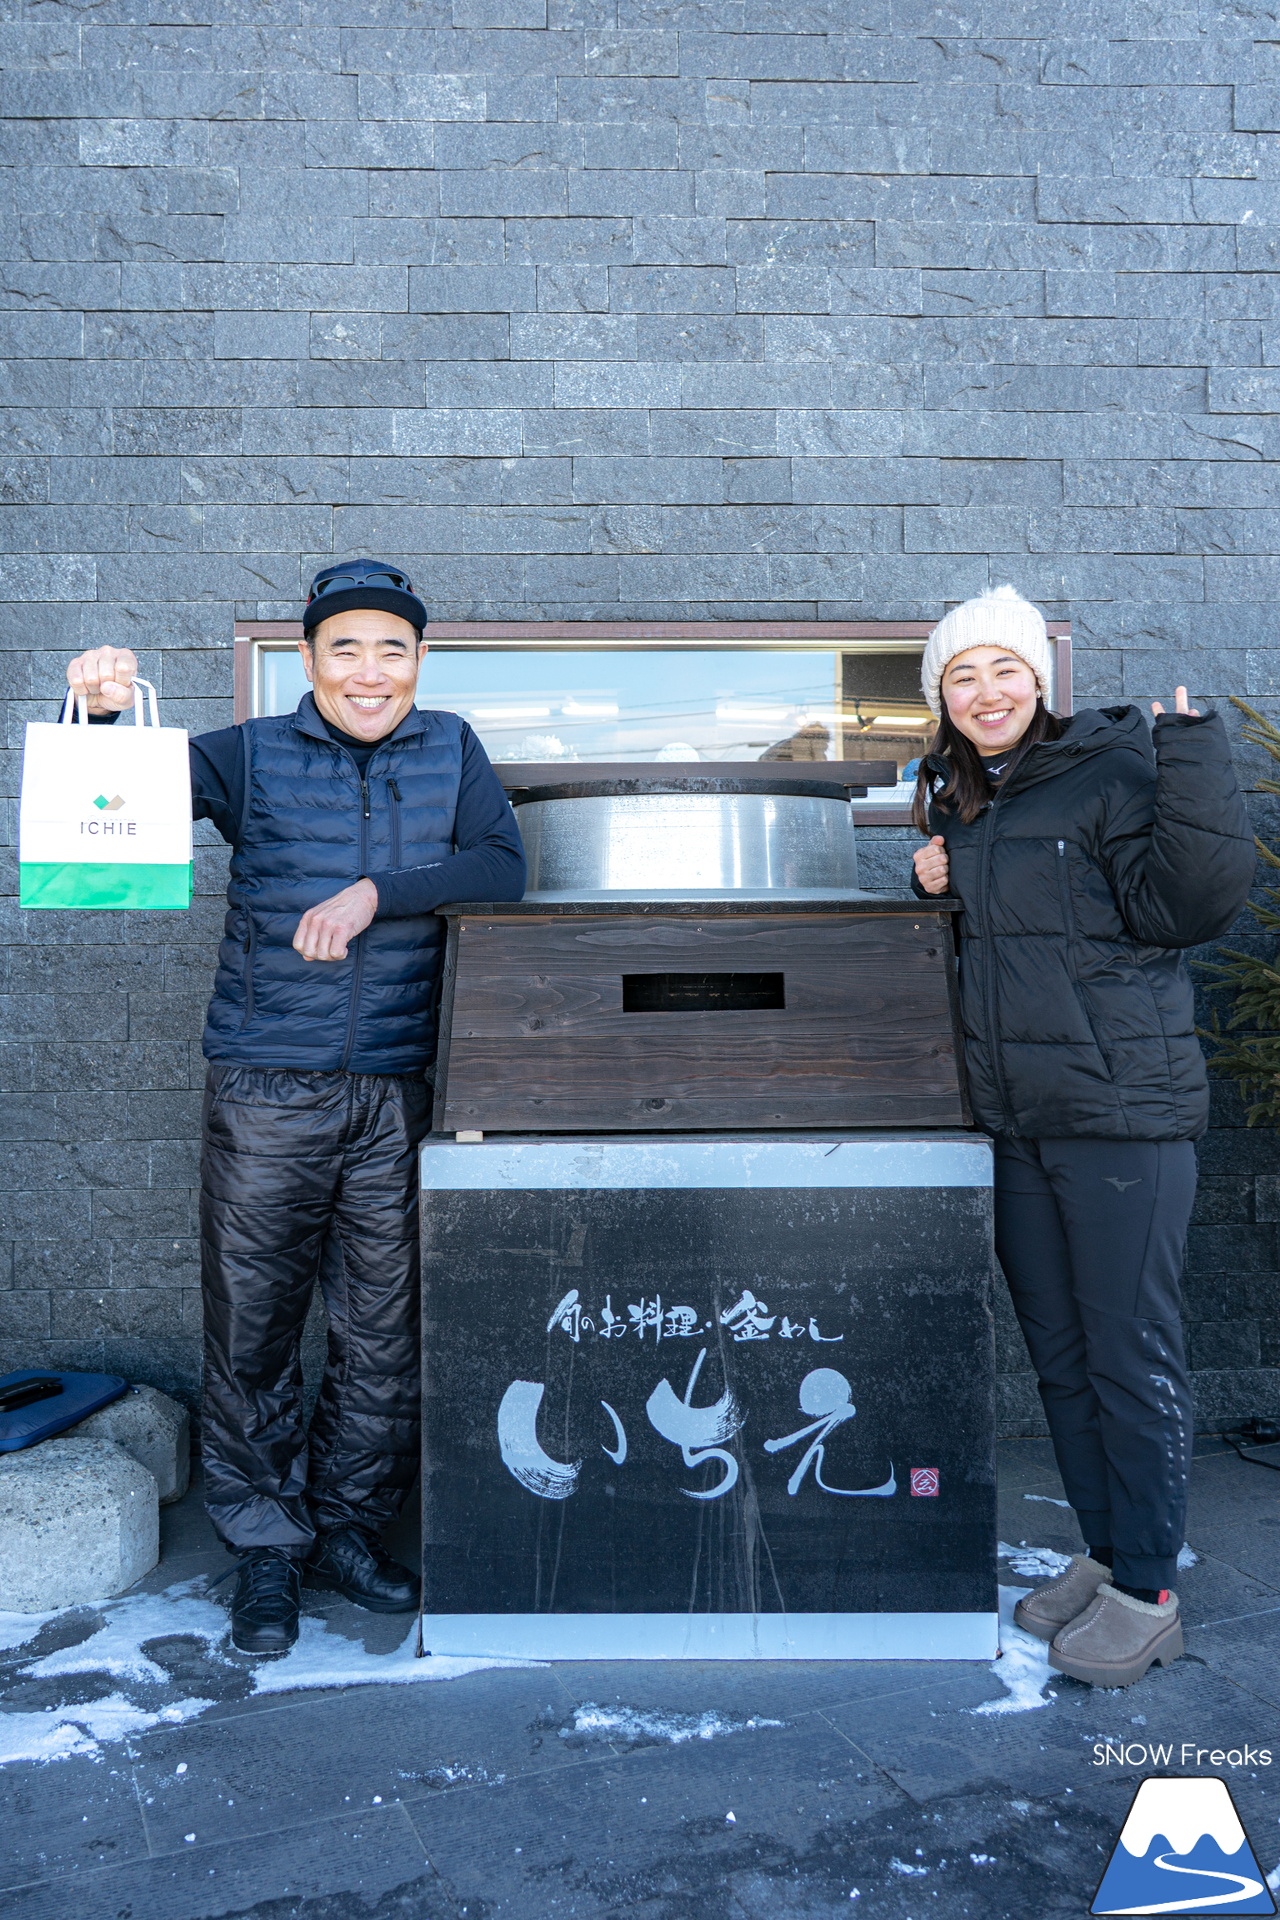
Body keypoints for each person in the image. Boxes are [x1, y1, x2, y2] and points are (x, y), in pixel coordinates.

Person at [66, 559, 527, 1655]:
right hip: (267, 1085)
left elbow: (503, 866)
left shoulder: (449, 746)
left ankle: (348, 1533)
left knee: (383, 1335)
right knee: (255, 1329)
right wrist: (96, 713)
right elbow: (110, 807)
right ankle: (267, 1552)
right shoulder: (251, 753)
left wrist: (378, 892)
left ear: (419, 660)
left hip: (396, 1087)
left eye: (393, 648)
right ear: (311, 659)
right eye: (346, 647)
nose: (371, 672)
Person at [911, 585, 1254, 1689]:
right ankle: (1104, 1553)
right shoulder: (964, 801)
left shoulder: (1113, 768)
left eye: (1001, 670)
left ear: (1038, 681)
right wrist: (932, 874)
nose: (984, 692)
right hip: (1015, 1119)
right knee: (1059, 1358)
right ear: (943, 699)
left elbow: (1187, 908)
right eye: (960, 677)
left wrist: (1195, 758)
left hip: (1122, 1115)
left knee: (1127, 1351)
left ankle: (1147, 1589)